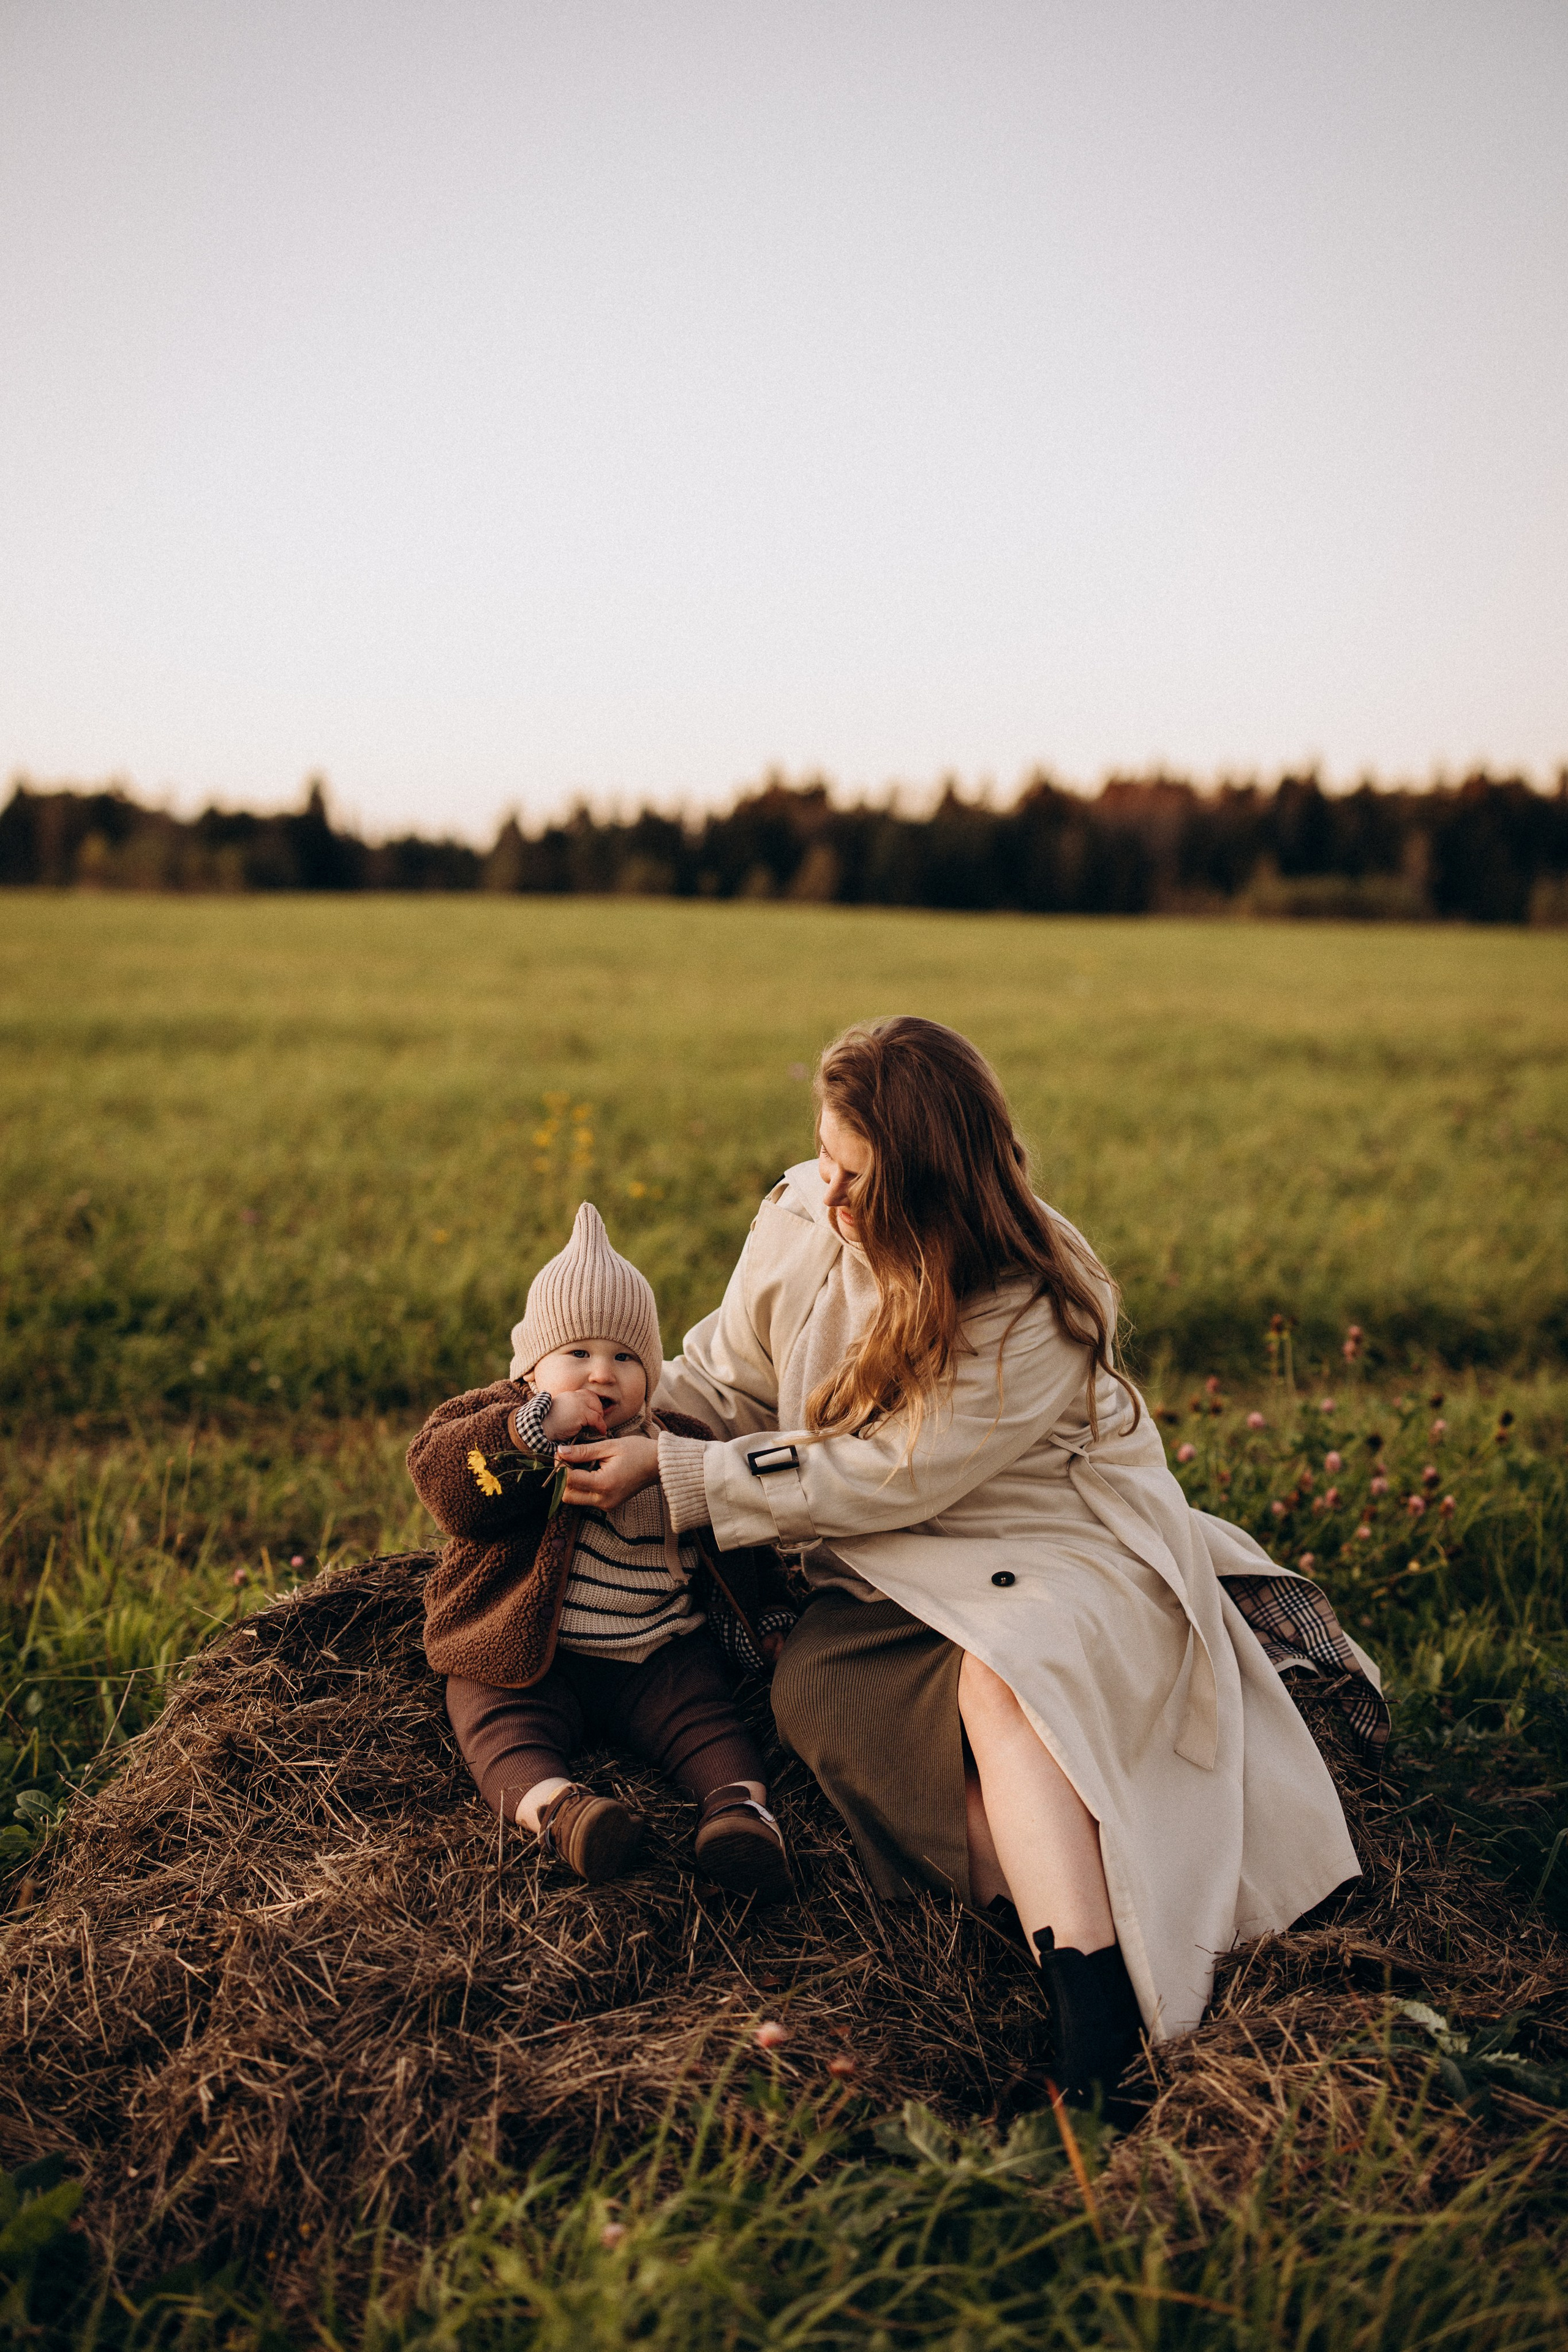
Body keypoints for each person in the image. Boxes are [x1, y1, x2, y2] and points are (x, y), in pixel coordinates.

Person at [549, 1017, 1385, 2106]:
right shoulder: (807, 1213)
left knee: (1002, 1674)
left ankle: (1093, 2023)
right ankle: (1087, 1933)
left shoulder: (1028, 1295)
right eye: (827, 1157)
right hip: (894, 1561)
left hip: (1062, 1548)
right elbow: (727, 1366)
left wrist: (685, 1480)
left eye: (863, 1179)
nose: (832, 1195)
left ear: (938, 1187)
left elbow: (893, 1470)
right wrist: (600, 1418)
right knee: (815, 1694)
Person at [407, 1202, 791, 1898]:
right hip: (527, 1655)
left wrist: (765, 1617)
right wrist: (528, 1430)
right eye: (576, 1355)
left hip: (656, 1654)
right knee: (497, 1728)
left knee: (711, 1724)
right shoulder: (506, 1423)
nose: (601, 1375)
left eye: (624, 1358)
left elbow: (741, 1535)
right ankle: (562, 1811)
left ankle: (738, 1813)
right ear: (531, 1370)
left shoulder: (677, 1442)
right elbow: (440, 1479)